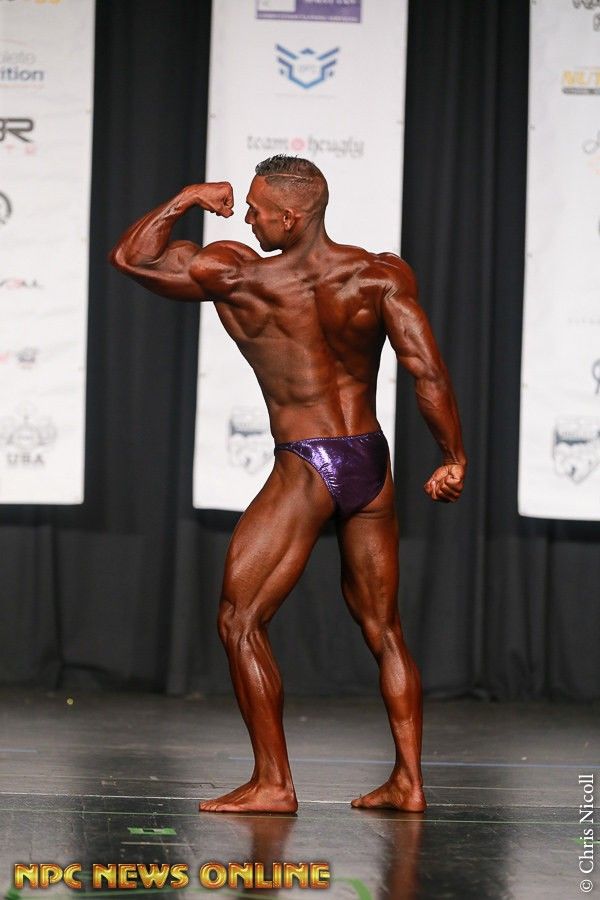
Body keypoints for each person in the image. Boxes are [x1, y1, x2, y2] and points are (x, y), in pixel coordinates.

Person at [110, 155, 467, 815]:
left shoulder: (241, 275)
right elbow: (428, 371)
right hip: (369, 460)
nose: (246, 217)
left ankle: (274, 783)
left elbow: (132, 258)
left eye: (257, 209)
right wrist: (453, 455)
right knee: (386, 630)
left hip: (308, 461)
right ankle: (409, 782)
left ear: (292, 216)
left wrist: (186, 198)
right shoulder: (380, 274)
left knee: (239, 619)